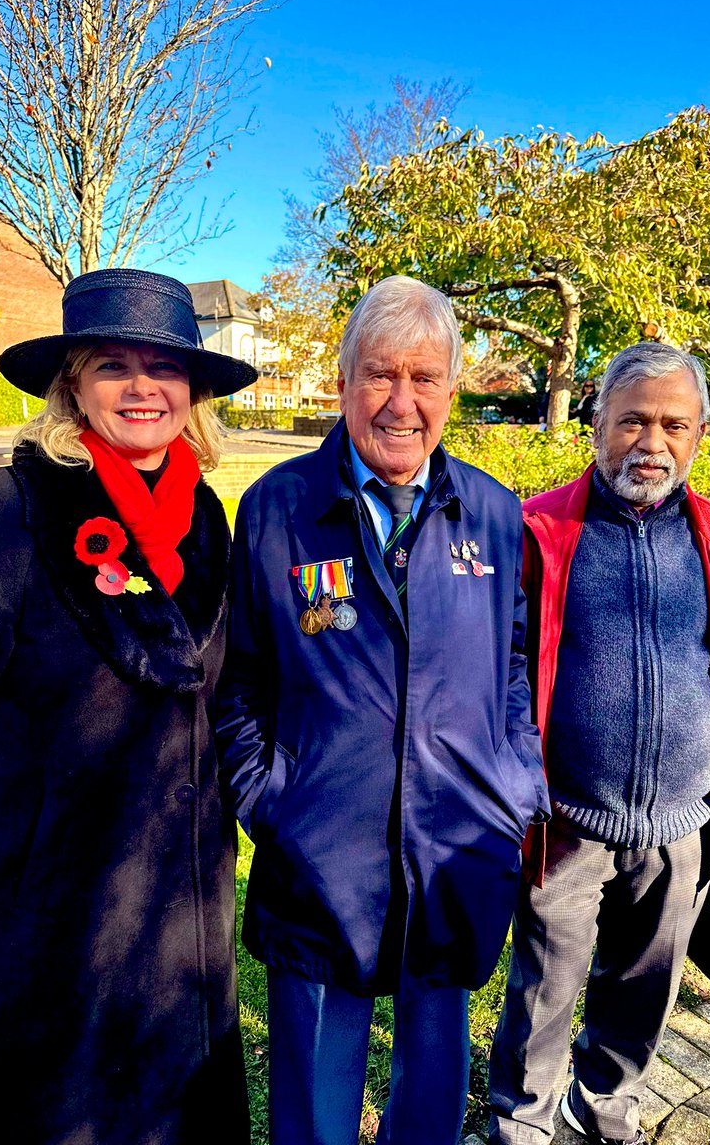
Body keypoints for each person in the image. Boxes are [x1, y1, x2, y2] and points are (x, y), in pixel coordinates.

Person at [0, 269, 258, 1145]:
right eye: (113, 366)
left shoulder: (206, 517)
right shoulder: (4, 511)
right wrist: (22, 816)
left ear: (192, 392)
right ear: (73, 386)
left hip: (181, 896)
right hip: (53, 907)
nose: (142, 388)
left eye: (164, 368)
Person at [217, 274, 549, 1145]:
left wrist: (514, 788)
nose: (402, 403)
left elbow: (513, 664)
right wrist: (270, 800)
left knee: (430, 1097)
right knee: (315, 1107)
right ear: (342, 382)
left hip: (455, 850)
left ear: (452, 391)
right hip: (320, 856)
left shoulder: (494, 514)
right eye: (380, 375)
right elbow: (240, 678)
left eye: (425, 377)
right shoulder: (277, 509)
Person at [488, 341, 710, 1145]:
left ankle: (606, 1107)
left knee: (646, 985)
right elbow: (501, 669)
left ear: (699, 436)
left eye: (674, 425)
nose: (652, 443)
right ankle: (522, 1118)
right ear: (598, 424)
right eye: (632, 421)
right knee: (544, 987)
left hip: (683, 825)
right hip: (564, 821)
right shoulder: (540, 530)